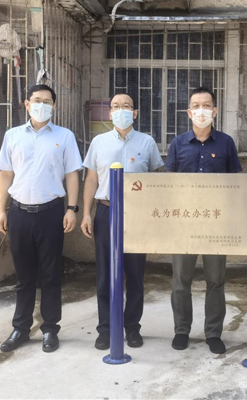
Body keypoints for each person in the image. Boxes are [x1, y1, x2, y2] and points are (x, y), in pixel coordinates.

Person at [0, 84, 83, 353]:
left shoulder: (65, 136)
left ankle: (50, 329)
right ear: (26, 104)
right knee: (23, 276)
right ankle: (20, 329)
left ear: (54, 106)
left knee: (50, 275)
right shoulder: (12, 136)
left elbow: (72, 174)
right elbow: (6, 174)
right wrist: (1, 210)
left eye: (47, 101)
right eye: (36, 100)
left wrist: (72, 208)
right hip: (19, 213)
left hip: (51, 213)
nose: (41, 105)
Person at [81, 93, 164, 351]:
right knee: (106, 274)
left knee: (135, 274)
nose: (121, 110)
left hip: (137, 215)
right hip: (106, 212)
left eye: (126, 106)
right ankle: (106, 329)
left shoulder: (147, 142)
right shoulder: (99, 142)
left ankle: (132, 327)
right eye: (116, 106)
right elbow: (91, 179)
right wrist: (86, 213)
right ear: (109, 113)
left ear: (135, 113)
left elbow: (156, 179)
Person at [164, 87, 242, 355]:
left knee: (216, 280)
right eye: (196, 106)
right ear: (188, 112)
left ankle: (213, 333)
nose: (201, 110)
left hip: (216, 223)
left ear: (215, 111)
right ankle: (181, 330)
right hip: (183, 222)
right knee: (180, 279)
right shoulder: (177, 144)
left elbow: (236, 184)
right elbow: (168, 184)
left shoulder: (226, 143)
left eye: (206, 105)